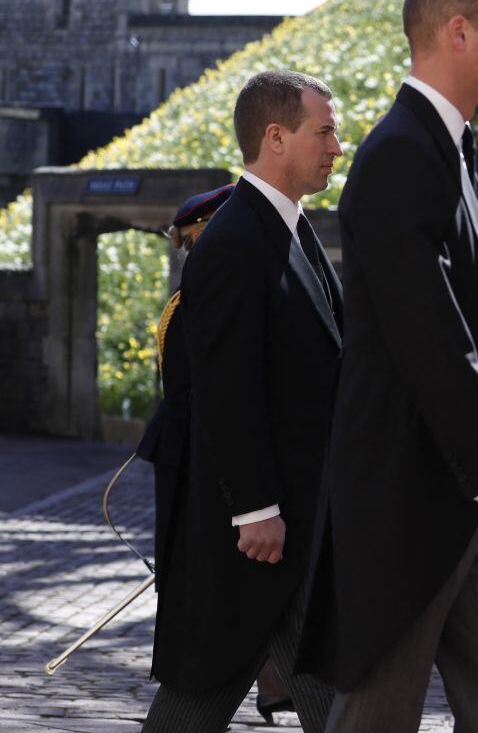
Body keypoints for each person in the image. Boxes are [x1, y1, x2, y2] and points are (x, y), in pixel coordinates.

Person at [296, 0, 478, 732]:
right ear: (458, 32)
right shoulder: (401, 155)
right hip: (408, 497)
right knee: (378, 715)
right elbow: (431, 337)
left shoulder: (446, 147)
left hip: (467, 498)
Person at [140, 69, 343, 732]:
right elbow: (227, 389)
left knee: (334, 699)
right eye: (324, 132)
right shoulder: (233, 241)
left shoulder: (287, 227)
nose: (336, 148)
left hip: (298, 518)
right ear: (275, 137)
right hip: (258, 529)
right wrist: (256, 508)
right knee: (200, 697)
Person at [136, 184, 295, 726]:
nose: (189, 250)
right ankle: (275, 676)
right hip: (188, 449)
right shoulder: (199, 288)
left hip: (209, 454)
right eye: (185, 242)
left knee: (235, 598)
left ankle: (276, 676)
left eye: (192, 238)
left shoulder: (224, 273)